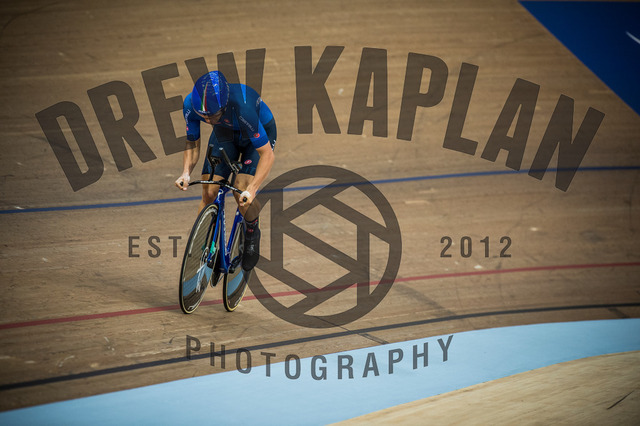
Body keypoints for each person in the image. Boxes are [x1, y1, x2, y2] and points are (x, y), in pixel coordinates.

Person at [174, 71, 276, 271]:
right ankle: (204, 245)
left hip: (257, 135)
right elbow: (192, 142)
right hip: (225, 132)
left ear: (224, 105)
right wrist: (185, 172)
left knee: (241, 192)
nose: (208, 120)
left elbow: (267, 155)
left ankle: (252, 229)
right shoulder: (191, 105)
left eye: (212, 115)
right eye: (204, 116)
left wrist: (252, 189)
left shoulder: (243, 107)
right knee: (209, 191)